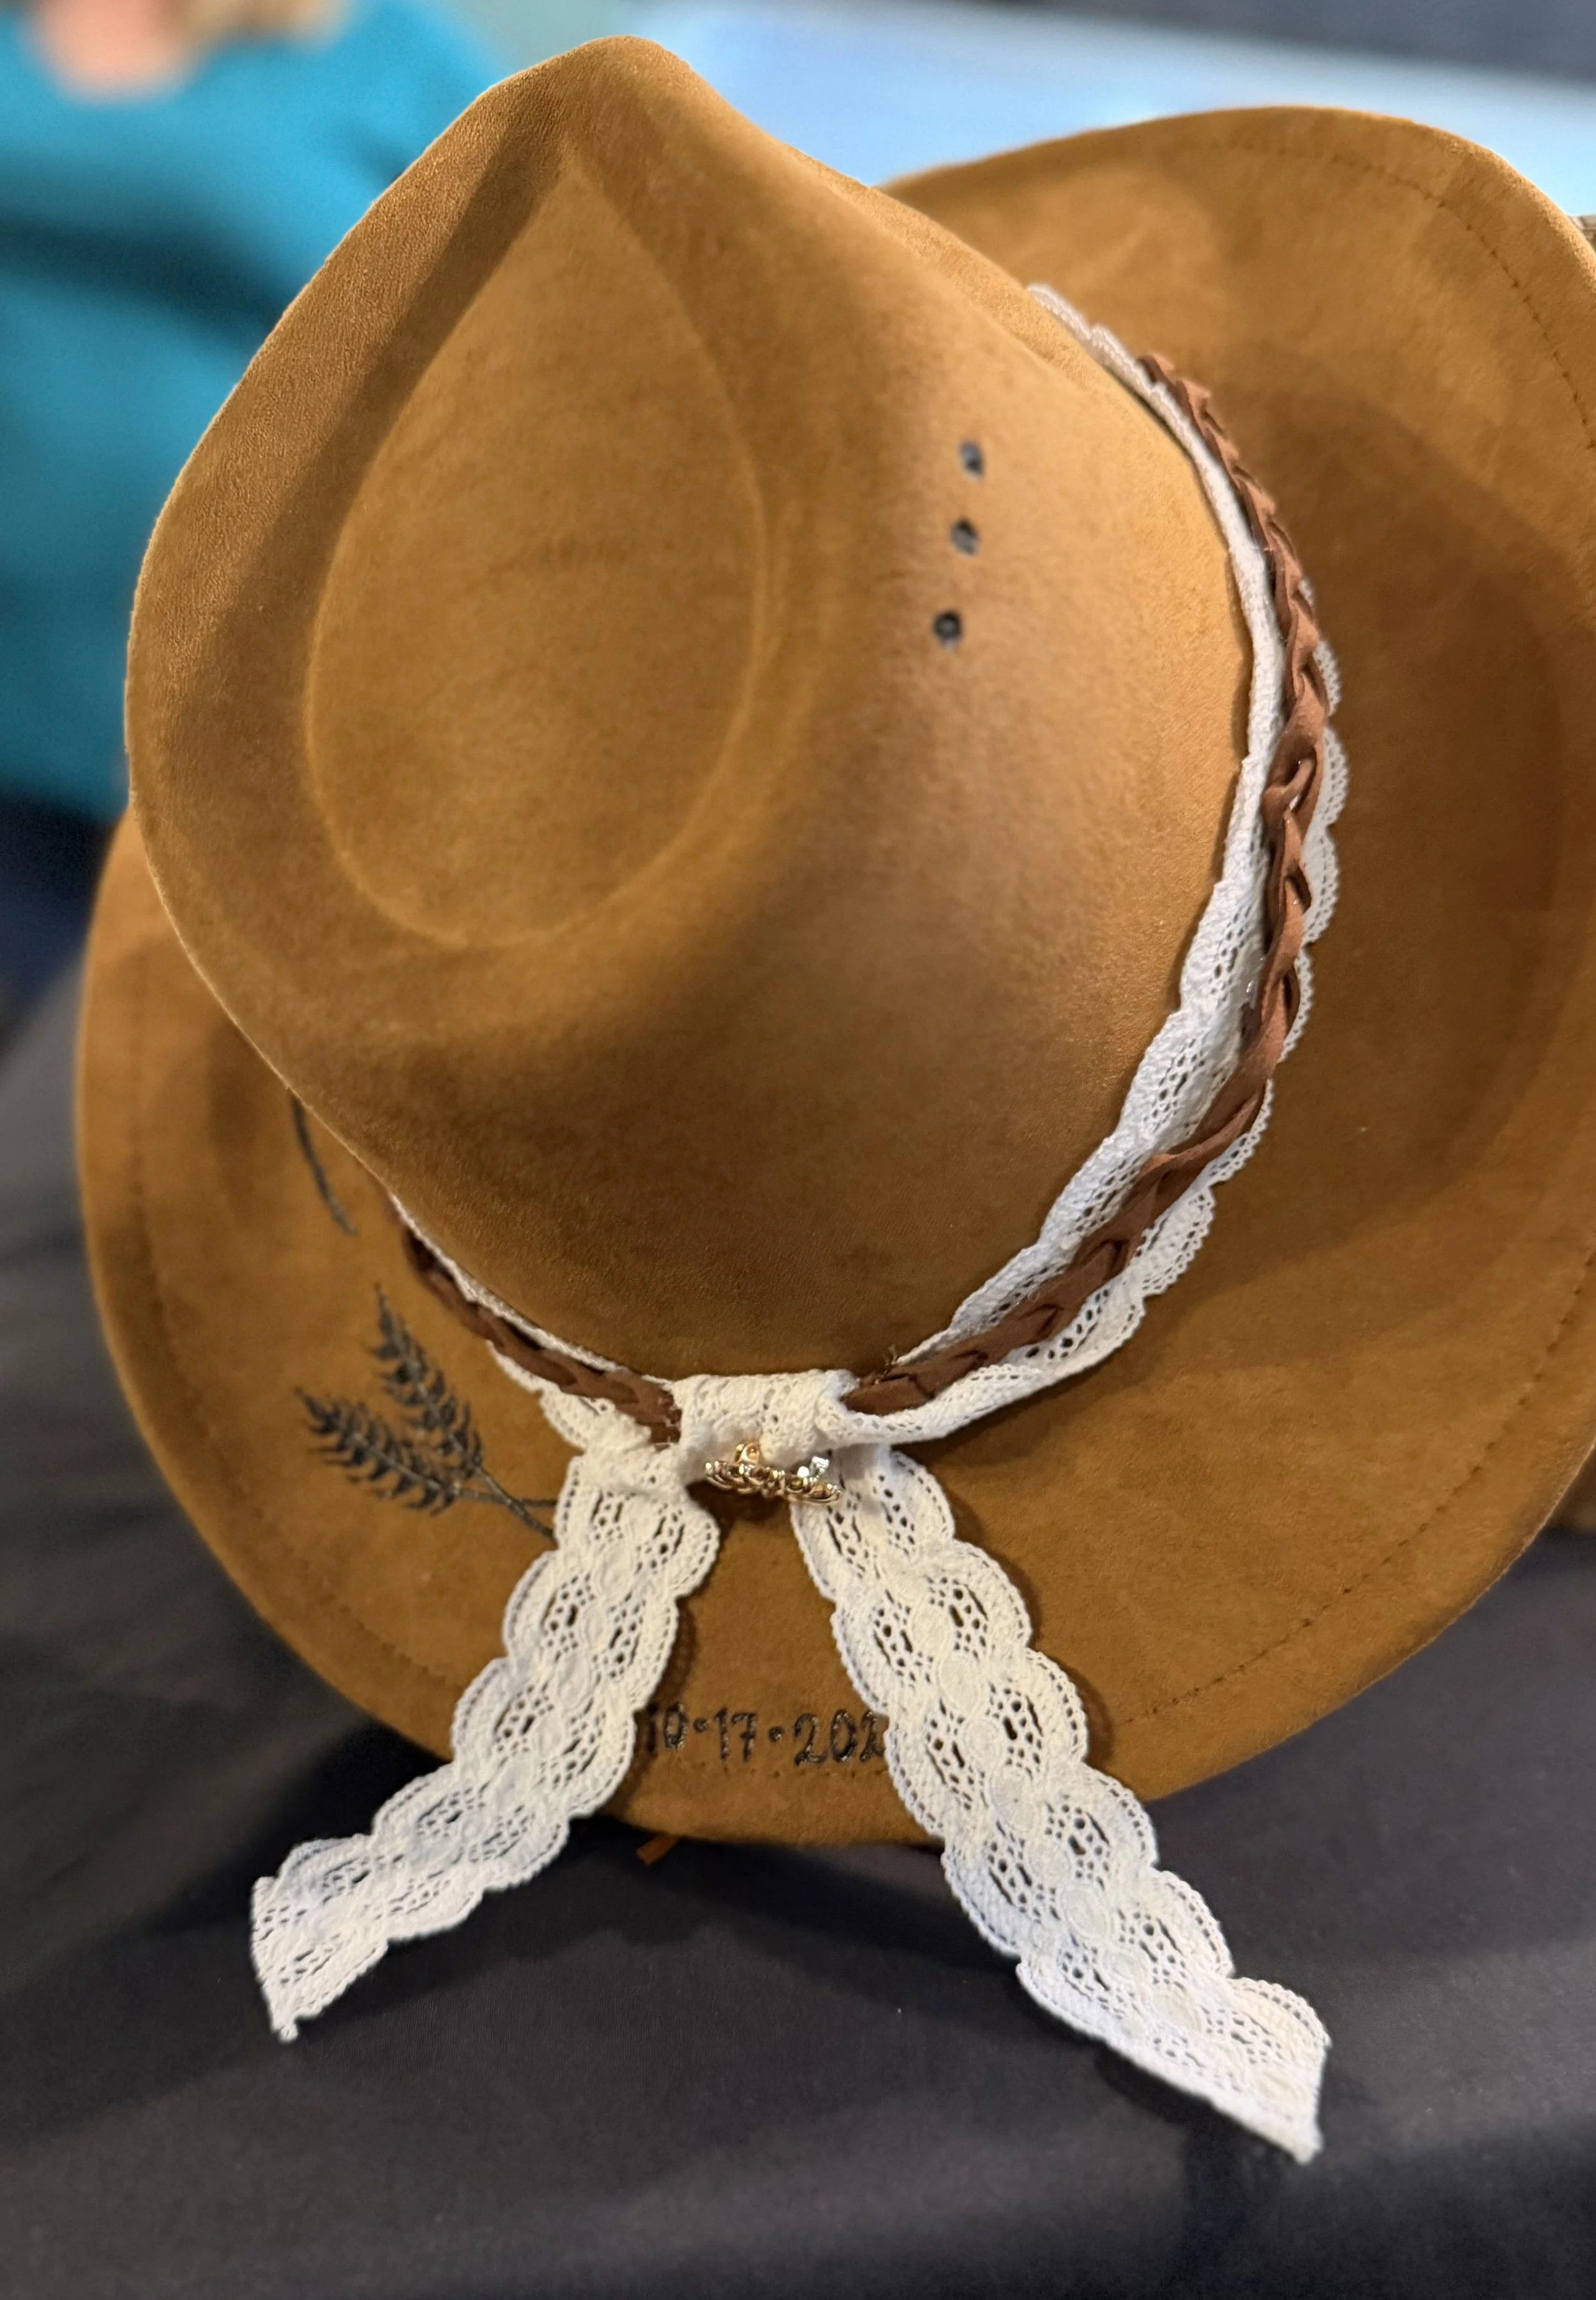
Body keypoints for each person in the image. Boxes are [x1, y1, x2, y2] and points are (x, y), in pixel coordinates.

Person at [0, 0, 498, 1027]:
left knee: (124, 1092)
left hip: (217, 738)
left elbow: (516, 331)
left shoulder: (384, 56)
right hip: (18, 711)